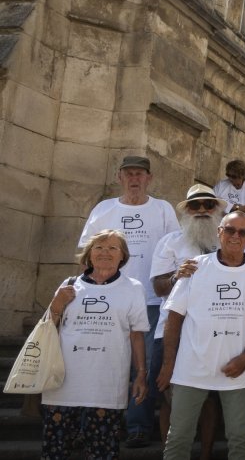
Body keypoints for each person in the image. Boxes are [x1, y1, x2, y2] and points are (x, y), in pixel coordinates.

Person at [77, 155, 180, 448]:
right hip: (107, 298)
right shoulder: (104, 209)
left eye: (140, 174)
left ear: (149, 178)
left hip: (148, 299)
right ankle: (99, 423)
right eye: (129, 173)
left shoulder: (162, 209)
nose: (134, 178)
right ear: (119, 177)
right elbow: (85, 255)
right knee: (102, 361)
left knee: (142, 365)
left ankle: (137, 425)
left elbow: (174, 247)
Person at [159, 212, 245, 460]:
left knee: (240, 438)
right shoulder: (195, 266)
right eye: (230, 230)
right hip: (191, 369)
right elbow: (174, 318)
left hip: (238, 370)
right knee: (179, 437)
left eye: (243, 232)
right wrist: (168, 364)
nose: (236, 236)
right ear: (219, 232)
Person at [43, 231, 150, 460]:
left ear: (123, 256)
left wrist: (141, 374)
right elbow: (47, 327)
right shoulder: (69, 284)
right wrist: (57, 304)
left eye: (113, 248)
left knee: (102, 450)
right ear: (89, 254)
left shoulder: (132, 287)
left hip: (106, 383)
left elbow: (137, 334)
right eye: (99, 247)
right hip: (64, 382)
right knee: (56, 448)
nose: (105, 253)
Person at [149, 185, 225, 453]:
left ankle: (205, 454)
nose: (203, 210)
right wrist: (176, 276)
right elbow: (158, 287)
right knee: (167, 395)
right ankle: (170, 453)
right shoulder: (170, 242)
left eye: (208, 205)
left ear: (217, 209)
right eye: (196, 205)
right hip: (170, 330)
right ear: (187, 211)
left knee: (209, 397)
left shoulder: (229, 239)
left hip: (213, 330)